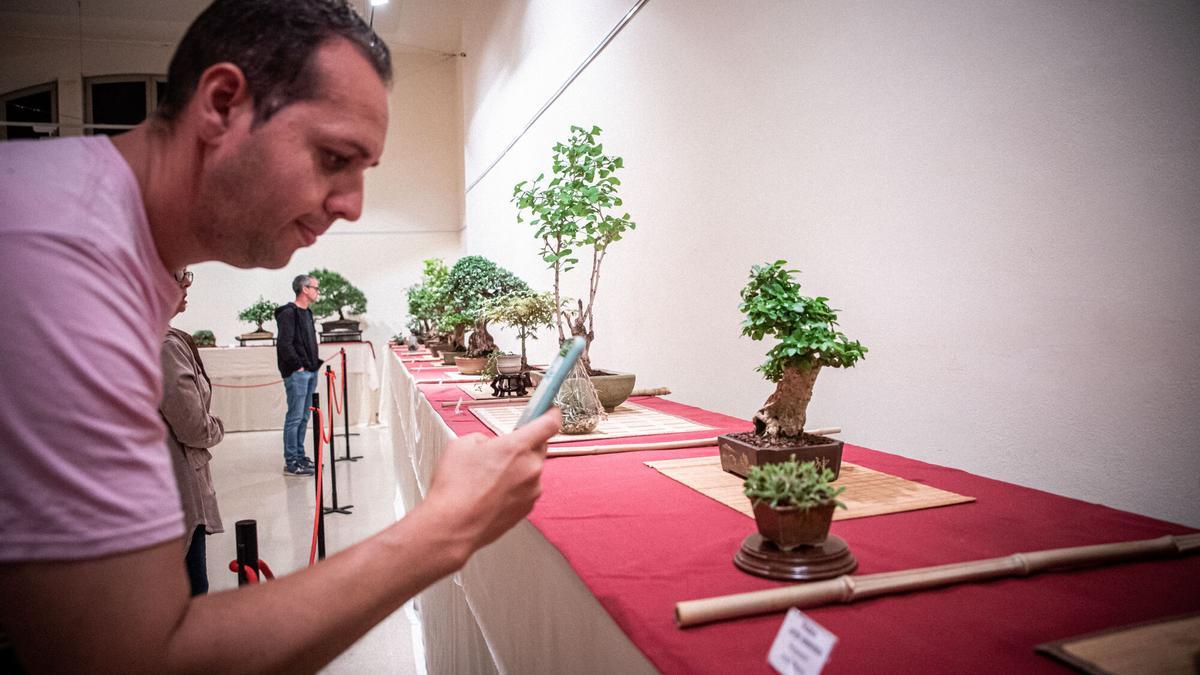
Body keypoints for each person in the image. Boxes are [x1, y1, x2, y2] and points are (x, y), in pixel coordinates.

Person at [0, 1, 560, 671]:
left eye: (363, 171)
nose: (352, 203)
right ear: (222, 104)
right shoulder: (57, 261)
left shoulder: (94, 241)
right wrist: (448, 526)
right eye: (332, 158)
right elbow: (132, 657)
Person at [159, 268, 225, 595]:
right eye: (178, 275)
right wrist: (218, 428)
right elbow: (194, 427)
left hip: (167, 486)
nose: (186, 283)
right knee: (191, 591)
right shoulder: (164, 346)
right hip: (177, 489)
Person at [276, 274, 323, 476]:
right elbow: (284, 344)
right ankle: (291, 460)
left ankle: (301, 456)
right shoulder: (288, 313)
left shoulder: (308, 312)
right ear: (304, 289)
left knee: (304, 417)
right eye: (315, 288)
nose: (317, 292)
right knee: (295, 417)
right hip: (298, 373)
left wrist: (311, 366)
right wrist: (298, 366)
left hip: (311, 370)